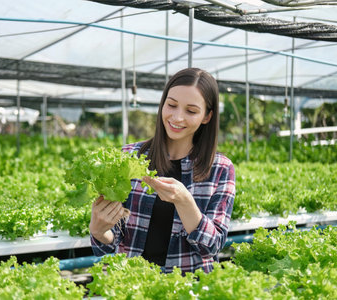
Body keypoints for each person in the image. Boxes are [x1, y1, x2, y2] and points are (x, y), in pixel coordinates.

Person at [89, 67, 235, 274]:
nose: (177, 117)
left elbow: (212, 246)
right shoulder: (128, 157)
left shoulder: (220, 168)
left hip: (187, 288)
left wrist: (185, 202)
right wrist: (98, 231)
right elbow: (111, 240)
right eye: (172, 105)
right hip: (133, 285)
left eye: (191, 111)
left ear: (207, 116)